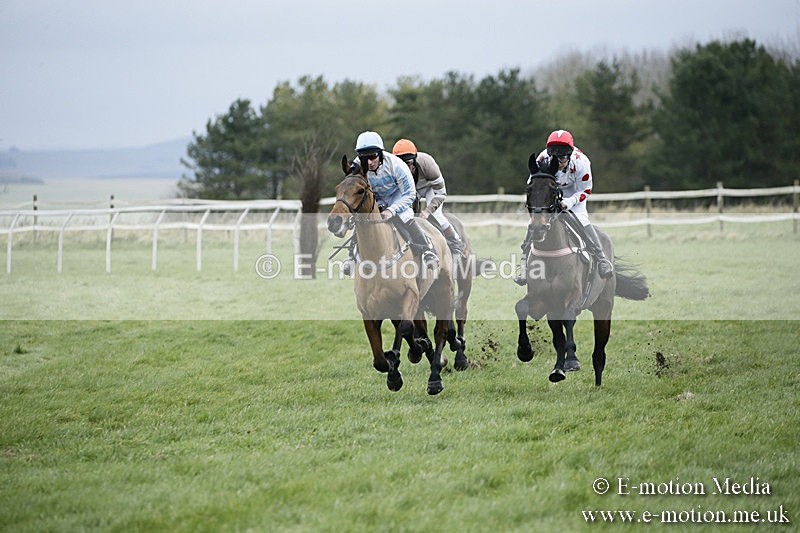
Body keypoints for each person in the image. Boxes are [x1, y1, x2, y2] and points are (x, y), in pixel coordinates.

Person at [515, 129, 613, 285]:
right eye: (555, 158)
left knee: (581, 220)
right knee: (533, 223)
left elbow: (585, 190)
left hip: (575, 194)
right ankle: (524, 266)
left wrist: (569, 202)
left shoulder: (582, 163)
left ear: (569, 155)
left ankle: (601, 259)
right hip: (550, 193)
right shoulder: (542, 159)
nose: (559, 163)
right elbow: (533, 183)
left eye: (562, 159)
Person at [350, 131, 439, 270]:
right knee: (361, 217)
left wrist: (392, 210)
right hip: (377, 197)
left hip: (398, 195)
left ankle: (427, 250)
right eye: (363, 158)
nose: (369, 162)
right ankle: (351, 256)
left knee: (406, 216)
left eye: (373, 156)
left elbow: (409, 194)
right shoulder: (356, 165)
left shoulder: (396, 165)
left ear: (380, 153)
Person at [391, 138, 465, 257]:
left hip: (430, 188)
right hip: (411, 191)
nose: (405, 168)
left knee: (436, 215)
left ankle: (456, 242)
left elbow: (441, 193)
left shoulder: (427, 164)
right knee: (409, 216)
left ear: (415, 159)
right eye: (401, 164)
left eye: (408, 163)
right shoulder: (393, 168)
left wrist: (427, 211)